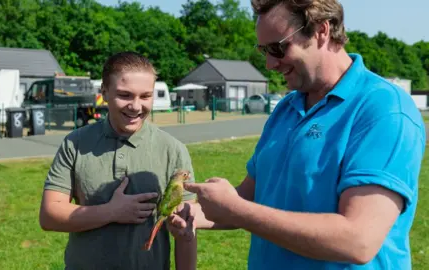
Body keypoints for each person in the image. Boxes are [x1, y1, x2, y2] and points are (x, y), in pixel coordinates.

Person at [168, 0, 426, 269]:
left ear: (321, 30)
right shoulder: (286, 109)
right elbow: (253, 197)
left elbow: (358, 240)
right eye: (264, 51)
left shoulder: (384, 109)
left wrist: (236, 210)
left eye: (278, 48)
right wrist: (191, 213)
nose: (269, 64)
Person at [38, 51, 197, 270]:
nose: (135, 106)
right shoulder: (75, 143)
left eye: (145, 96)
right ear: (104, 92)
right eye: (125, 95)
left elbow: (186, 231)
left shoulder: (173, 150)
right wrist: (111, 212)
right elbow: (49, 216)